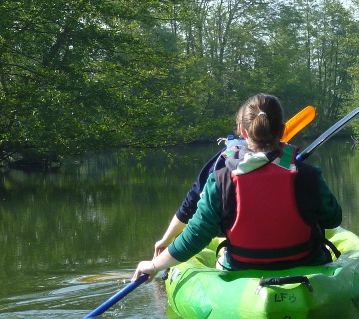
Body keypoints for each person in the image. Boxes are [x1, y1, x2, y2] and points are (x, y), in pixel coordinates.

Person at [135, 94, 341, 282]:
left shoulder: (220, 180)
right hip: (306, 266)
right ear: (282, 130)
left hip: (242, 272)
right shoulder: (309, 175)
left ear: (243, 131)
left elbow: (194, 237)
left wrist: (152, 265)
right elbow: (333, 218)